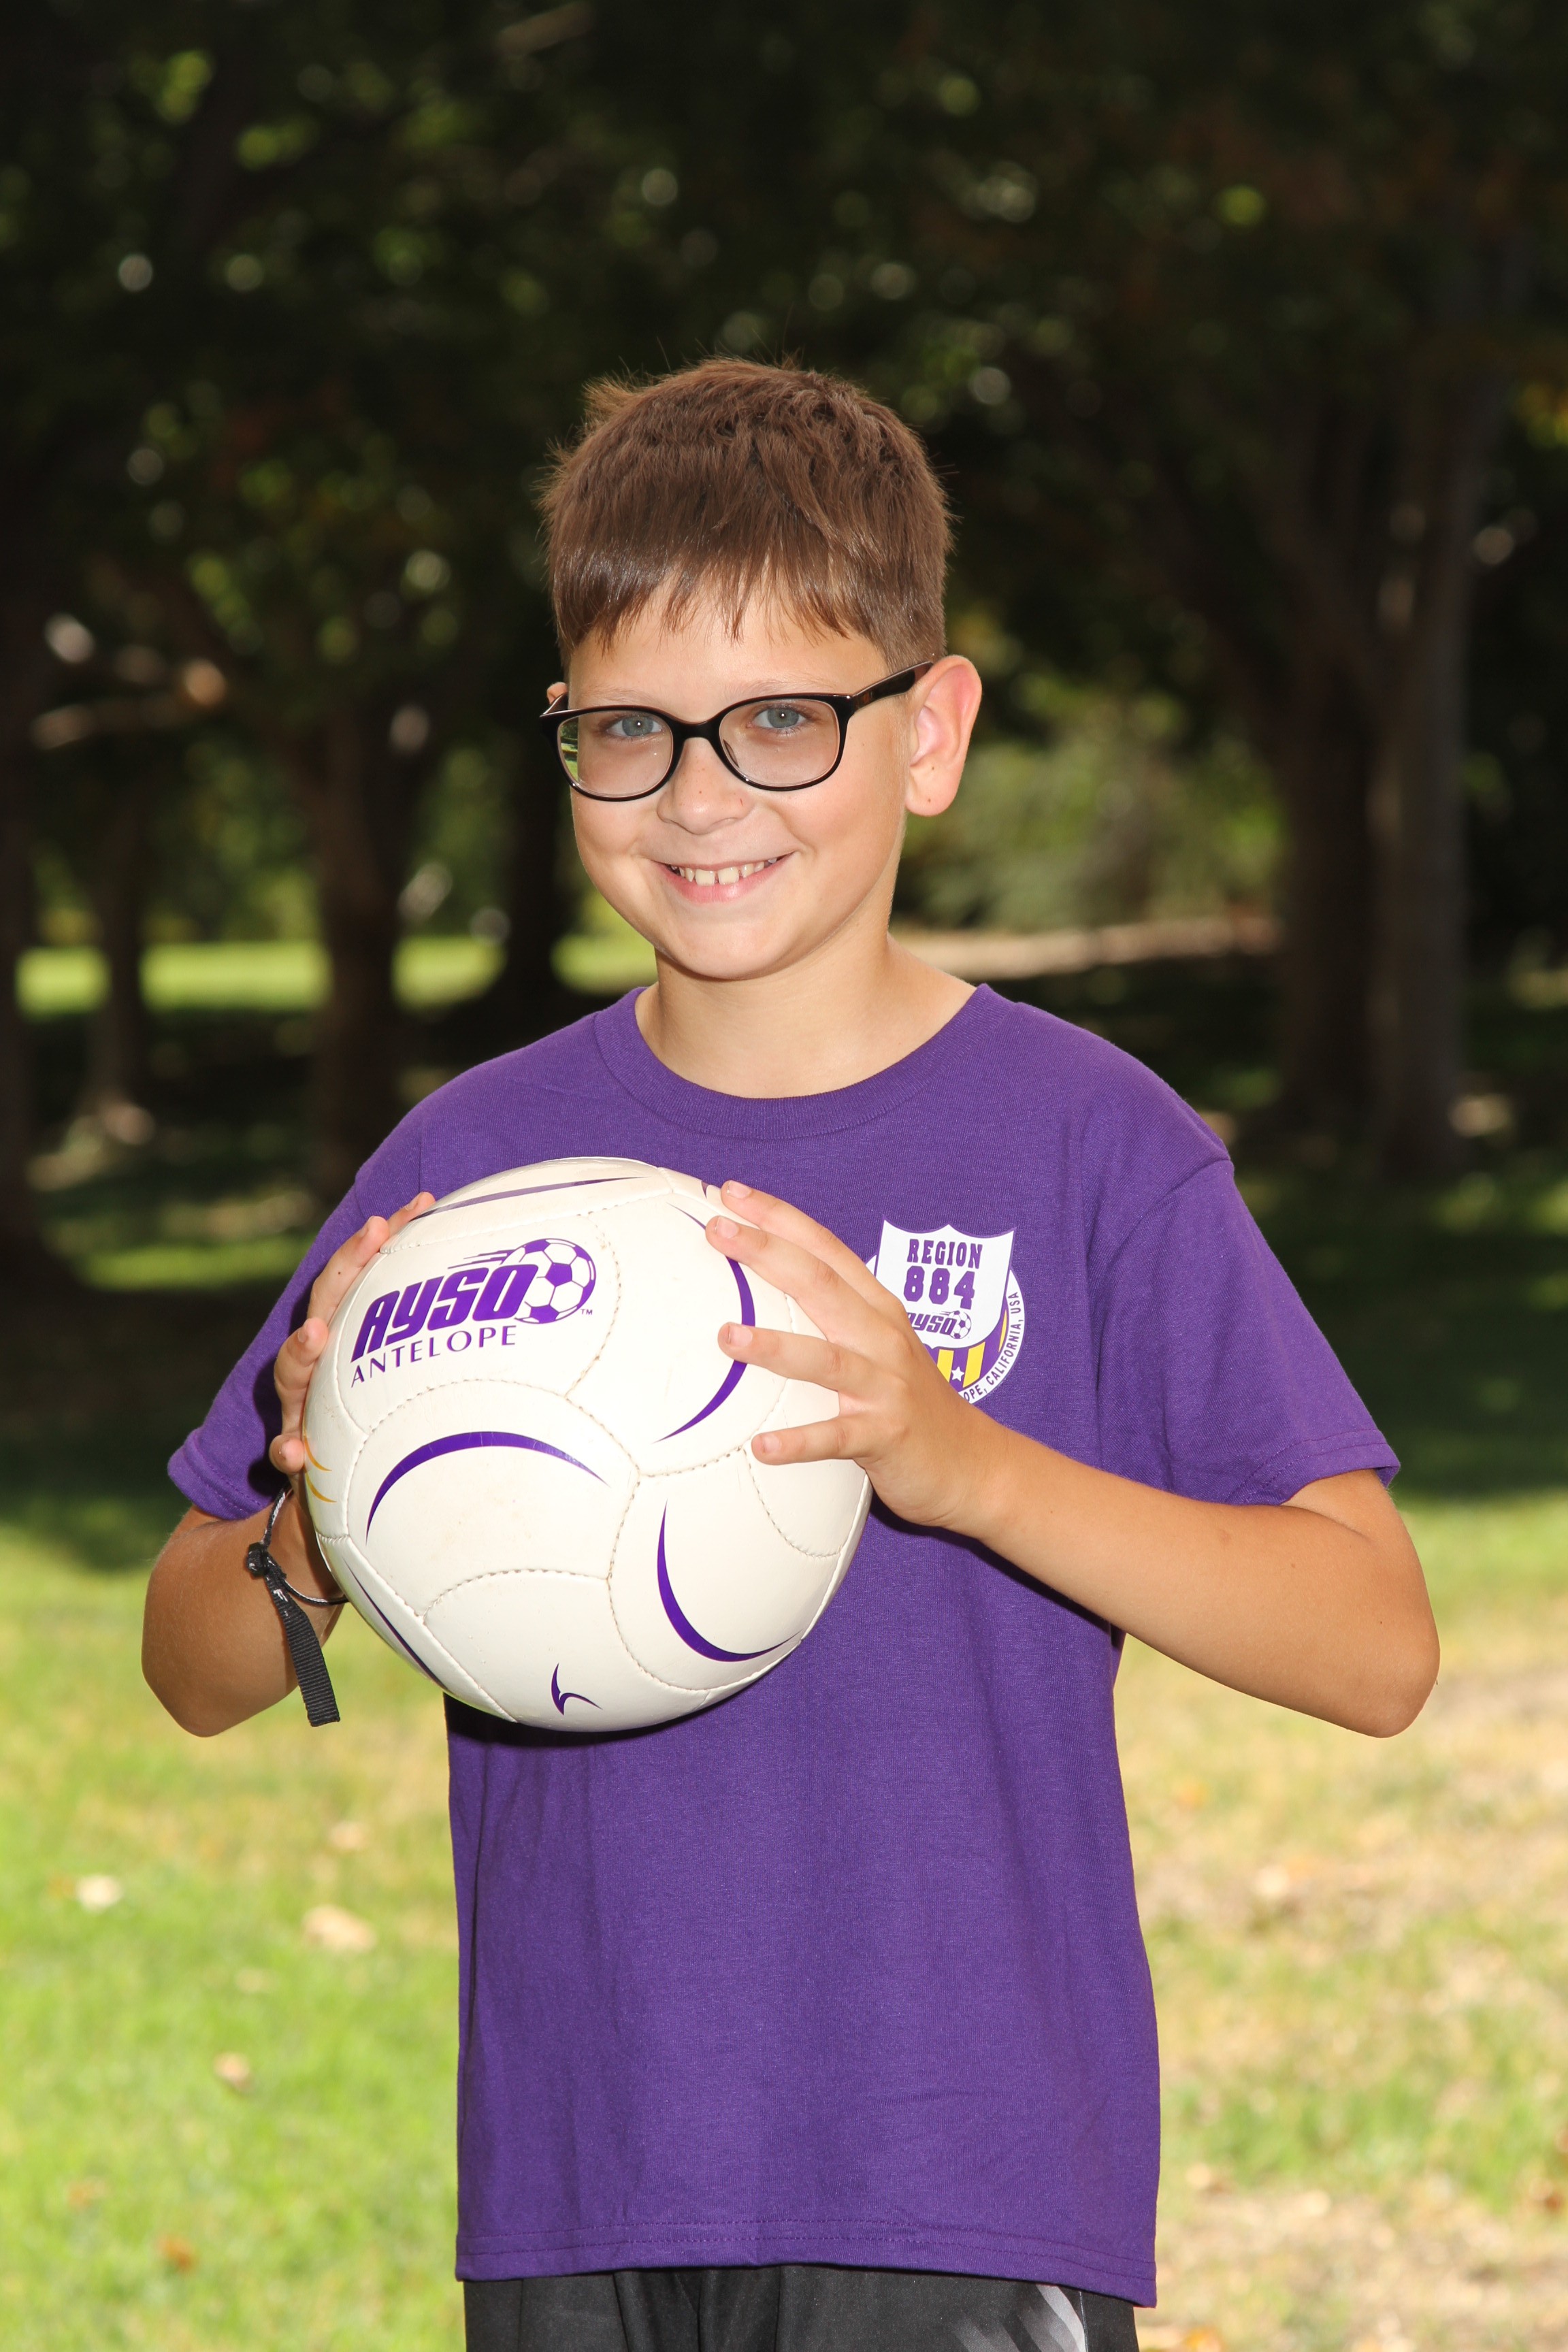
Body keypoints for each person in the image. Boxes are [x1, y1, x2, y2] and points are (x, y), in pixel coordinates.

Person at [143, 359, 1439, 2352]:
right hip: (582, 2185)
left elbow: (1373, 1645)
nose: (700, 795)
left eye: (779, 721)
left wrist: (966, 1464)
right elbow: (191, 1665)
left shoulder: (1089, 1144)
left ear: (932, 733)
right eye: (628, 732)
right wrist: (326, 1514)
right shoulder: (470, 1178)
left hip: (962, 2188)